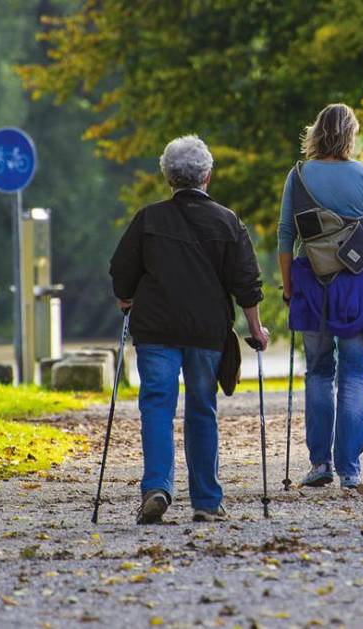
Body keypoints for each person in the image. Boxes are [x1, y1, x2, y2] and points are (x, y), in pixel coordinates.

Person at [110, 135, 269, 524]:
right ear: (207, 177)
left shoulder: (148, 219)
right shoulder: (228, 221)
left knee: (157, 407)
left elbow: (121, 270)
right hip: (205, 332)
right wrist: (257, 329)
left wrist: (126, 297)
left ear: (167, 176)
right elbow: (246, 282)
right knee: (202, 410)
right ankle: (207, 501)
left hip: (156, 330)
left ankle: (158, 487)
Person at [277, 104, 363, 491]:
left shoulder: (298, 177)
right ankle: (351, 470)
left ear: (316, 133)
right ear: (350, 135)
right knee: (354, 375)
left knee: (317, 371)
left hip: (312, 283)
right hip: (359, 284)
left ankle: (319, 463)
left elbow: (284, 237)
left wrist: (288, 287)